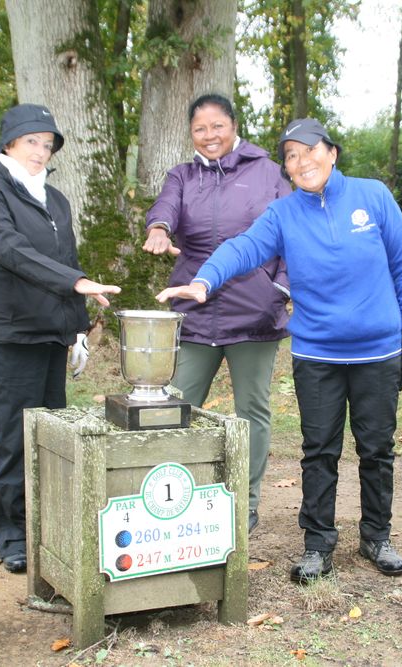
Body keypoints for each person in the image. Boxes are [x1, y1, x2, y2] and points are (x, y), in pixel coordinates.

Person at [156, 118, 402, 582]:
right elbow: (241, 247)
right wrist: (203, 280)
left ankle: (376, 536)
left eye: (309, 151)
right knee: (319, 450)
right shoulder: (283, 214)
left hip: (377, 352)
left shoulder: (372, 196)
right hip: (317, 353)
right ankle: (318, 544)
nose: (301, 162)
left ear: (331, 152)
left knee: (376, 449)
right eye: (291, 157)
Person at [0, 103, 121, 574]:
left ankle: (49, 525)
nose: (41, 151)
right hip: (7, 336)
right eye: (32, 141)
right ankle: (12, 535)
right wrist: (77, 282)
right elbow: (15, 254)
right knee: (13, 438)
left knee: (50, 435)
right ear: (9, 142)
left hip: (50, 336)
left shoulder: (55, 200)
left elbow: (64, 256)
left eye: (48, 144)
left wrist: (77, 330)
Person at [143, 93, 292, 534]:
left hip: (253, 313)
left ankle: (244, 502)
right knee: (179, 407)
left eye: (217, 126)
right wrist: (158, 228)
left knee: (252, 410)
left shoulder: (269, 173)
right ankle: (176, 496)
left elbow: (291, 232)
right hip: (195, 309)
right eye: (200, 129)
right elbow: (165, 207)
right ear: (191, 134)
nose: (209, 136)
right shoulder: (182, 175)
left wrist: (279, 287)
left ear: (233, 125)